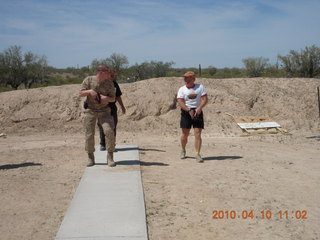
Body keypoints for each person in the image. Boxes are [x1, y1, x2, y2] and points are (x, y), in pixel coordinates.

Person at [79, 64, 117, 167]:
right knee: (89, 134)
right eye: (107, 73)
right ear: (101, 73)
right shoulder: (89, 80)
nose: (109, 75)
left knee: (109, 131)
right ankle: (90, 157)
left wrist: (106, 98)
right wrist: (89, 91)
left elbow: (113, 98)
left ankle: (110, 156)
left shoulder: (109, 83)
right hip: (90, 111)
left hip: (104, 111)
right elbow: (81, 93)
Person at [177, 71, 208, 163]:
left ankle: (197, 154)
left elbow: (204, 99)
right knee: (185, 134)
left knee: (198, 133)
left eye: (187, 77)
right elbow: (180, 102)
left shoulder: (200, 87)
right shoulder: (182, 89)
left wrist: (199, 108)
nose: (185, 79)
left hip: (197, 111)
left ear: (193, 78)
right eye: (184, 77)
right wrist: (188, 110)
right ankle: (183, 150)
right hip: (186, 112)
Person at [97, 69, 126, 151]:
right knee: (102, 126)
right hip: (101, 108)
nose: (113, 77)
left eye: (114, 75)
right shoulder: (101, 83)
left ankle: (111, 144)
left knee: (113, 126)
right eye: (111, 75)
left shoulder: (115, 84)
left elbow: (118, 96)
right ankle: (103, 144)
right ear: (107, 75)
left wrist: (122, 107)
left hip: (112, 108)